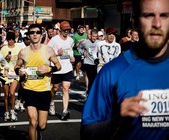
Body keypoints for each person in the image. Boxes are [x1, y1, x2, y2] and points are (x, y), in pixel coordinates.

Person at [81, 0, 169, 139]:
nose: (157, 24)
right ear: (135, 20)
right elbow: (87, 133)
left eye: (164, 15)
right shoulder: (112, 72)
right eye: (148, 15)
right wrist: (117, 121)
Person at [14, 24, 61, 140]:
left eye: (37, 32)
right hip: (29, 89)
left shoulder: (48, 50)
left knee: (41, 125)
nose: (35, 35)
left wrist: (50, 69)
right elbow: (17, 66)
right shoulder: (23, 52)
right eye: (32, 32)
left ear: (41, 35)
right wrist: (19, 71)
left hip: (44, 90)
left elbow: (58, 66)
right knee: (32, 122)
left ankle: (39, 132)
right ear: (28, 35)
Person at [47, 21, 75, 120]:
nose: (67, 31)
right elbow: (47, 51)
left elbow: (70, 51)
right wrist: (56, 53)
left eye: (68, 29)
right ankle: (51, 103)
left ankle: (64, 110)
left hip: (67, 67)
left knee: (65, 88)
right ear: (60, 30)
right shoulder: (54, 40)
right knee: (54, 88)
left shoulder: (70, 40)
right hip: (57, 68)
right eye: (65, 30)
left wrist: (72, 57)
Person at [0, 32, 23, 122]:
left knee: (12, 93)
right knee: (6, 95)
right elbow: (0, 61)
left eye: (12, 39)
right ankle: (6, 111)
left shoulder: (19, 48)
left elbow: (22, 60)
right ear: (7, 40)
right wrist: (6, 58)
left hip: (14, 73)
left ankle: (12, 111)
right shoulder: (3, 49)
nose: (11, 41)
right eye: (9, 39)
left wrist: (21, 68)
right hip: (5, 73)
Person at [78, 29, 98, 96]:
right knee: (91, 79)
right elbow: (79, 48)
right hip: (88, 63)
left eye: (96, 36)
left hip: (96, 64)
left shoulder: (99, 42)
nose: (94, 38)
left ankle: (91, 93)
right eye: (93, 36)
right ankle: (90, 94)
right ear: (90, 36)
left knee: (95, 79)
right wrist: (83, 52)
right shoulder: (85, 42)